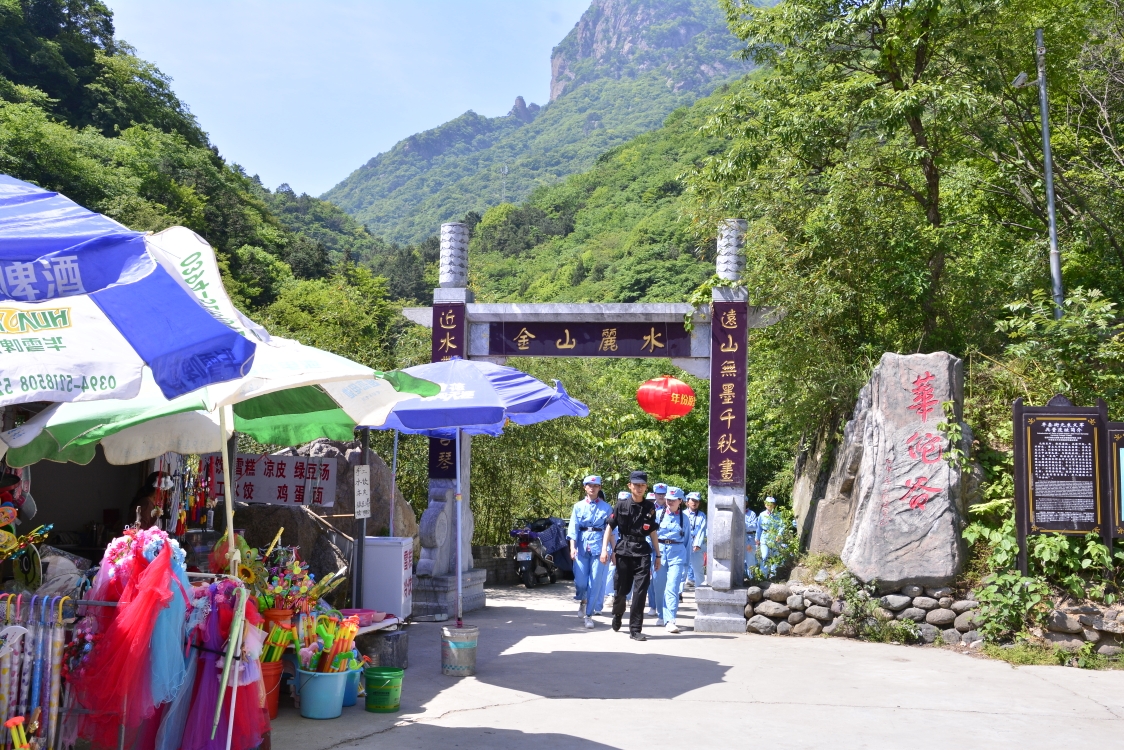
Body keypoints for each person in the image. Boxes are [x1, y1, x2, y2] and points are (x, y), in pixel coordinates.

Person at [601, 471, 660, 641]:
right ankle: (618, 614)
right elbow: (610, 528)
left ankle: (635, 629)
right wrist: (605, 549)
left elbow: (652, 531)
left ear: (646, 487)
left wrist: (658, 554)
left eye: (642, 485)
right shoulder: (621, 505)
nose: (639, 488)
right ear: (630, 486)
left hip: (642, 551)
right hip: (624, 551)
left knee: (640, 592)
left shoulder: (650, 507)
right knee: (621, 589)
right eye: (636, 485)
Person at [568, 475, 613, 628]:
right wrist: (572, 547)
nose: (592, 488)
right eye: (589, 485)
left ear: (599, 488)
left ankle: (589, 615)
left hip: (599, 547)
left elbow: (611, 531)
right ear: (585, 487)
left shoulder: (607, 508)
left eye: (595, 486)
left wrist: (611, 551)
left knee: (595, 582)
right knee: (580, 582)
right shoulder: (578, 506)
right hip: (581, 545)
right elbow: (573, 528)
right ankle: (582, 599)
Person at [651, 487, 689, 632]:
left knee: (672, 587)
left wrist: (686, 564)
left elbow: (686, 541)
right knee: (659, 587)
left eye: (674, 500)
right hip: (659, 554)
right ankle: (661, 615)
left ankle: (670, 619)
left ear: (680, 501)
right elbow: (651, 537)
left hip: (677, 554)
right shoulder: (657, 514)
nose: (670, 502)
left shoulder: (684, 518)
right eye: (668, 499)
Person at [646, 482, 669, 615]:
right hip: (649, 546)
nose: (661, 496)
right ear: (654, 494)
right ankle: (653, 605)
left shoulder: (670, 507)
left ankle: (663, 605)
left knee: (661, 577)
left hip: (664, 547)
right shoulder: (648, 508)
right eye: (658, 494)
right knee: (650, 576)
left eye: (663, 494)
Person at [683, 491, 707, 590]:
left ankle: (700, 592)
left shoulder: (702, 515)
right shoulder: (682, 514)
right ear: (687, 502)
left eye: (697, 501)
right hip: (684, 545)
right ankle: (679, 593)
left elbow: (702, 530)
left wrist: (697, 544)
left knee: (698, 570)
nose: (694, 503)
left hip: (697, 546)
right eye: (692, 500)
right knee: (682, 571)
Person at [755, 496, 782, 579]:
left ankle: (773, 576)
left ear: (774, 505)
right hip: (765, 537)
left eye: (771, 504)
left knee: (775, 557)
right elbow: (759, 527)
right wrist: (757, 538)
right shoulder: (762, 515)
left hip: (775, 537)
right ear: (765, 504)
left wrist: (779, 534)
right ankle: (763, 575)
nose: (769, 505)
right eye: (768, 503)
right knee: (764, 556)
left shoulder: (778, 514)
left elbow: (782, 526)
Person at [744, 504, 759, 581]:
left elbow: (754, 527)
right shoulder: (737, 512)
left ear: (747, 502)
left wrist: (744, 524)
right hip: (738, 538)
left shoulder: (752, 513)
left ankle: (752, 580)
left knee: (751, 560)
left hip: (749, 537)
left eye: (745, 501)